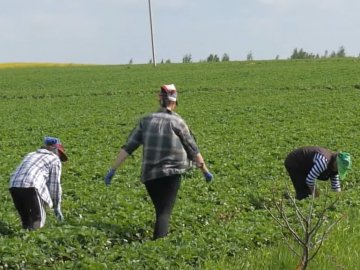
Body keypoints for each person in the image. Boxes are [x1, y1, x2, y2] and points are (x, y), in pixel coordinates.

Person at [104, 84, 213, 240]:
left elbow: (128, 147)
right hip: (171, 174)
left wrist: (113, 169)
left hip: (150, 176)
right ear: (174, 103)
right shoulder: (178, 122)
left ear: (160, 100)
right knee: (164, 212)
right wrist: (205, 171)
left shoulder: (146, 121)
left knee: (160, 210)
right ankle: (159, 244)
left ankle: (158, 241)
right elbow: (193, 149)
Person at [9, 137, 68, 230]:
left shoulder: (31, 154)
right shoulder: (54, 159)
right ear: (55, 150)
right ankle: (34, 236)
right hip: (31, 186)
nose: (59, 157)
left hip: (13, 185)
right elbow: (54, 185)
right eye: (59, 154)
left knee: (26, 221)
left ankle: (26, 238)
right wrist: (57, 207)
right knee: (38, 221)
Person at [284, 146, 351, 200]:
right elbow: (310, 180)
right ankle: (292, 202)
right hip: (295, 161)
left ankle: (289, 198)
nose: (338, 171)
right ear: (336, 163)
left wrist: (337, 199)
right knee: (304, 193)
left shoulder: (335, 167)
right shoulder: (323, 162)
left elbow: (335, 185)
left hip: (306, 165)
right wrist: (315, 193)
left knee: (309, 194)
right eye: (339, 168)